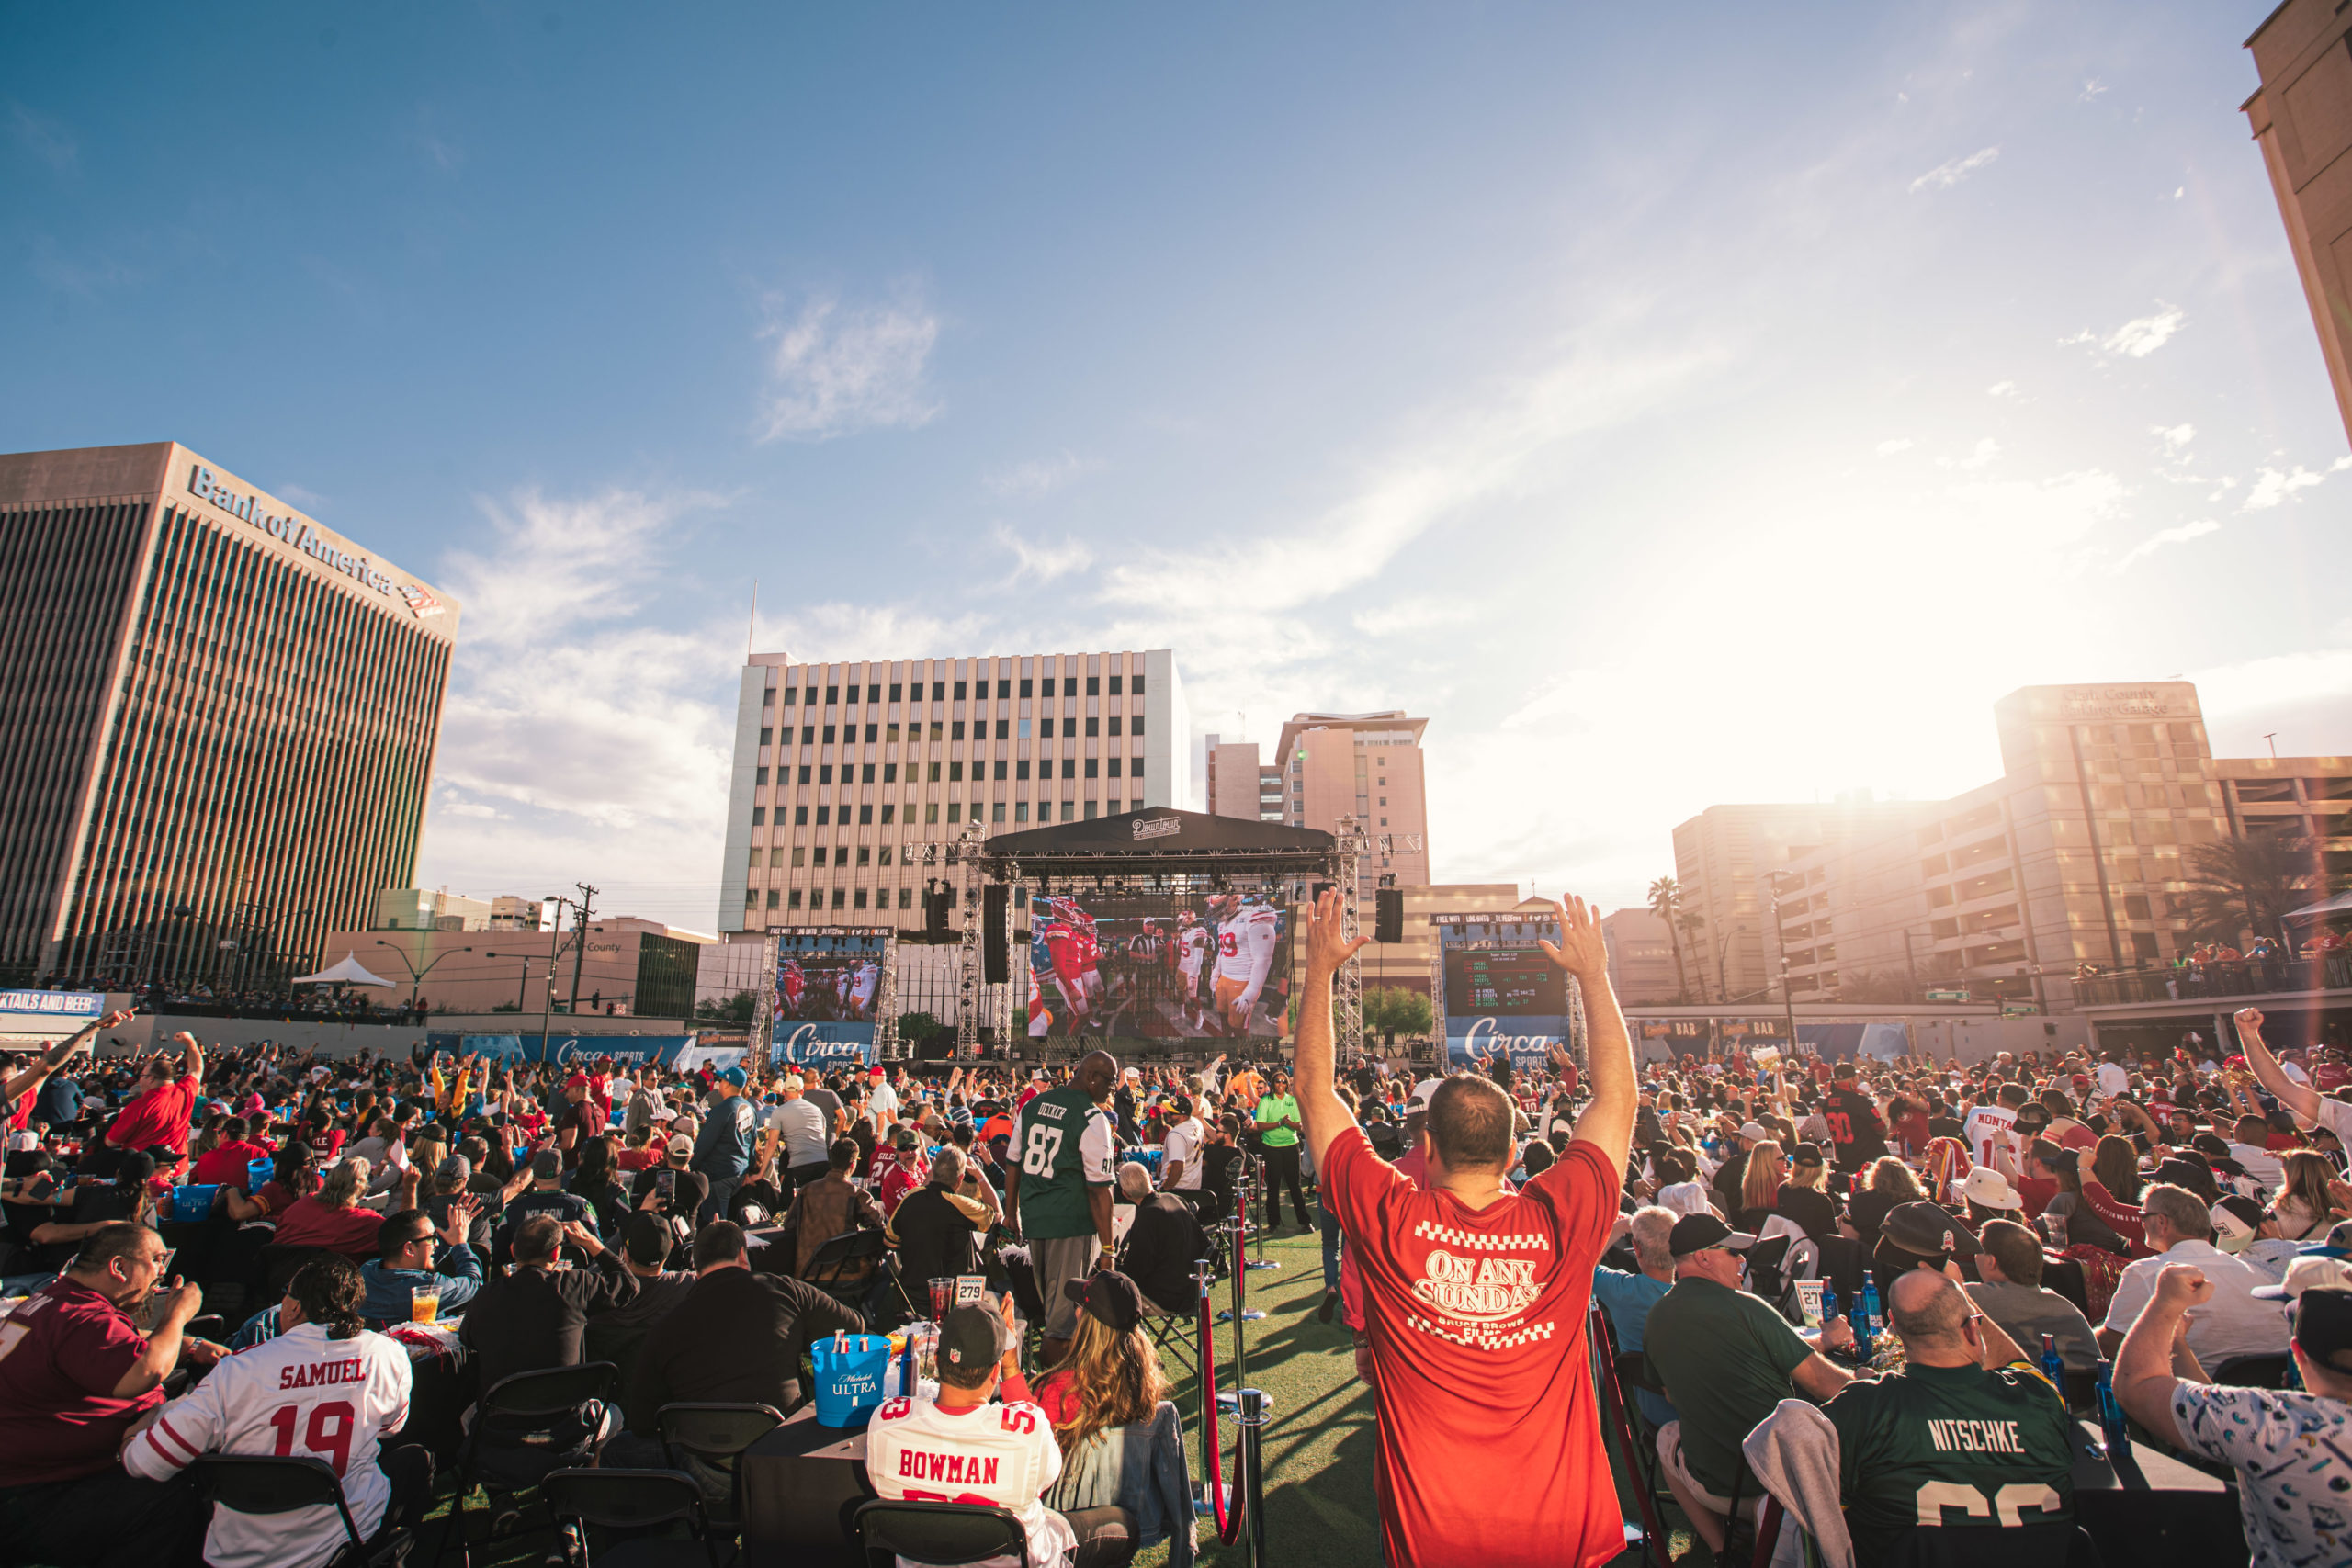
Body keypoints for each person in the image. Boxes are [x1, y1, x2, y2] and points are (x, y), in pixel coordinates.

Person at [1300, 889, 1638, 1567]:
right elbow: (1617, 1096)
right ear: (1514, 1156)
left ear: (1426, 1152)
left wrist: (1319, 973)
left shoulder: (1393, 1219)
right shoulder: (1561, 1217)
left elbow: (1315, 1087)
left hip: (1436, 1540)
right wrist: (1594, 977)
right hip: (1562, 1534)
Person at [120, 1254, 430, 1568]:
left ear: (295, 1306)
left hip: (241, 1553)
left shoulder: (237, 1370)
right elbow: (390, 1427)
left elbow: (145, 1463)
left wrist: (134, 1434)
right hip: (348, 1536)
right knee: (416, 1460)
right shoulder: (387, 1353)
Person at [1820, 1269, 2075, 1562]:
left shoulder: (1863, 1406)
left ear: (1896, 1327)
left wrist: (1867, 1388)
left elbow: (1815, 1509)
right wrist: (1962, 1300)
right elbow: (2016, 1362)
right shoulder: (2041, 1396)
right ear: (1970, 1330)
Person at [0, 1223, 215, 1567]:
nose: (163, 1271)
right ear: (119, 1267)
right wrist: (178, 1315)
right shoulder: (82, 1316)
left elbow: (115, 1341)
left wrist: (192, 1345)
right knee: (181, 1497)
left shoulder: (57, 1300)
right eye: (158, 1260)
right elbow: (144, 1373)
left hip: (32, 1482)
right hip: (38, 1496)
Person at [865, 1299, 1136, 1568]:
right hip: (1024, 1560)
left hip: (923, 1560)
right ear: (994, 1373)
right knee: (1126, 1526)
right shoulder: (1027, 1432)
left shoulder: (885, 1423)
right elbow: (1048, 1472)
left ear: (938, 1361)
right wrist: (1011, 1367)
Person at [2116, 1265, 2352, 1568]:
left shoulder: (2268, 1422)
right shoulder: (2265, 1418)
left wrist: (2166, 1304)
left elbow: (2136, 1386)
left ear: (2297, 1352)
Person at [1645, 1212, 1855, 1552]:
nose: (1742, 1259)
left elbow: (1670, 1394)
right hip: (1777, 1484)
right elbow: (1825, 1384)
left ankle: (1720, 1551)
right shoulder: (1746, 1307)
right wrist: (1867, 1380)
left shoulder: (1656, 1317)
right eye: (1732, 1252)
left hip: (1711, 1482)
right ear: (1703, 1258)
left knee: (1668, 1435)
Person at [628, 1220, 863, 1427]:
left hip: (701, 1463)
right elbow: (854, 1327)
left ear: (696, 1269)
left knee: (617, 1450)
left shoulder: (666, 1327)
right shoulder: (788, 1291)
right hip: (781, 1452)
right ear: (743, 1255)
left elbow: (641, 1421)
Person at [1009, 1049, 1119, 1367]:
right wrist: (1108, 1247)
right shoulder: (1091, 1118)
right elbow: (1100, 1190)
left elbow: (1013, 1161)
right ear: (1091, 1077)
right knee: (1062, 1325)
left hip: (1035, 1219)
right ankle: (1053, 1397)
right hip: (1070, 1224)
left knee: (1052, 1312)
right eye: (1109, 1082)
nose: (1113, 1089)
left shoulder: (1032, 1105)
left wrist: (1010, 1210)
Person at [2098, 1184, 2289, 1365]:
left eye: (2143, 1216)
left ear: (2161, 1222)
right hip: (2269, 1387)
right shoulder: (2253, 1271)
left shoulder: (2145, 1271)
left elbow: (2111, 1344)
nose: (2141, 1222)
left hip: (2200, 1390)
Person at [459, 1214, 639, 1391]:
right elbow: (629, 1285)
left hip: (499, 1416)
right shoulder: (575, 1286)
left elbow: (466, 1338)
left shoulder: (486, 1294)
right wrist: (592, 1243)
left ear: (514, 1250)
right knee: (616, 1415)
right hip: (566, 1415)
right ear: (556, 1253)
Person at [1033, 1270, 1170, 1458]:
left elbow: (1032, 1456)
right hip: (1131, 1484)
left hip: (1071, 1484)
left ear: (1084, 1318)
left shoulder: (1060, 1391)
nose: (1076, 1310)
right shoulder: (1144, 1385)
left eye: (1078, 1305)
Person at [1968, 1218, 2100, 1370]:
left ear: (1991, 1262)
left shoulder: (1972, 1298)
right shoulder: (2069, 1308)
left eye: (1977, 1250)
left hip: (2021, 1390)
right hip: (2079, 1392)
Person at [1590, 1206, 1680, 1428]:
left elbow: (1584, 1265)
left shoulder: (1622, 1291)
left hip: (1655, 1417)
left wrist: (1617, 1229)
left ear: (1636, 1249)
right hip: (1699, 1417)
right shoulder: (1696, 1294)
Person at [360, 1198, 484, 1325]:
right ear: (409, 1248)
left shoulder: (366, 1272)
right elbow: (473, 1283)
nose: (437, 1243)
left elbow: (413, 1260)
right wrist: (460, 1243)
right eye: (431, 1238)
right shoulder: (428, 1288)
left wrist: (447, 1243)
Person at [782, 1135, 887, 1278]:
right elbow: (879, 1231)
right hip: (844, 1273)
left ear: (831, 1161)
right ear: (853, 1164)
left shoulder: (806, 1190)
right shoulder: (857, 1195)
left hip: (807, 1271)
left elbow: (789, 1225)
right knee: (886, 1274)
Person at [1112, 1161, 1207, 1316]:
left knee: (1106, 1288)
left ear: (1125, 1194)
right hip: (1193, 1288)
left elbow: (1136, 1271)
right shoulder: (1175, 1199)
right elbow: (1203, 1242)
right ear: (1150, 1178)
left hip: (1166, 1297)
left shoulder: (1146, 1216)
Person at [888, 1145, 990, 1288]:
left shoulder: (911, 1197)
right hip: (951, 1297)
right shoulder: (962, 1205)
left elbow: (889, 1239)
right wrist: (980, 1177)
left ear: (934, 1167)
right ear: (960, 1179)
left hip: (911, 1293)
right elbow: (997, 1214)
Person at [691, 1066, 758, 1225]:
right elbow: (752, 1143)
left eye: (721, 1080)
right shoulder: (750, 1108)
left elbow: (704, 1144)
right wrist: (749, 1169)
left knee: (716, 1228)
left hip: (719, 1174)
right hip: (739, 1173)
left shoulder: (723, 1109)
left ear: (727, 1084)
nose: (719, 1083)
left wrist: (690, 1166)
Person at [1252, 1070, 1306, 1229]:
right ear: (1273, 1083)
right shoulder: (1265, 1101)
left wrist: (1288, 1124)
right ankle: (1273, 1222)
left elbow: (1301, 1126)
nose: (1281, 1084)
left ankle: (1304, 1221)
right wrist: (1279, 1124)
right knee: (1273, 1186)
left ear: (1287, 1085)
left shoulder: (1293, 1100)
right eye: (1278, 1081)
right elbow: (1260, 1125)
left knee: (1295, 1185)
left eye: (1284, 1082)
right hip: (1271, 1147)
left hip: (1291, 1145)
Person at [1822, 1060, 1888, 1173]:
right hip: (1867, 1162)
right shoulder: (1860, 1102)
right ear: (1854, 1079)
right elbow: (1881, 1129)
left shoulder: (1827, 1103)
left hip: (1844, 1160)